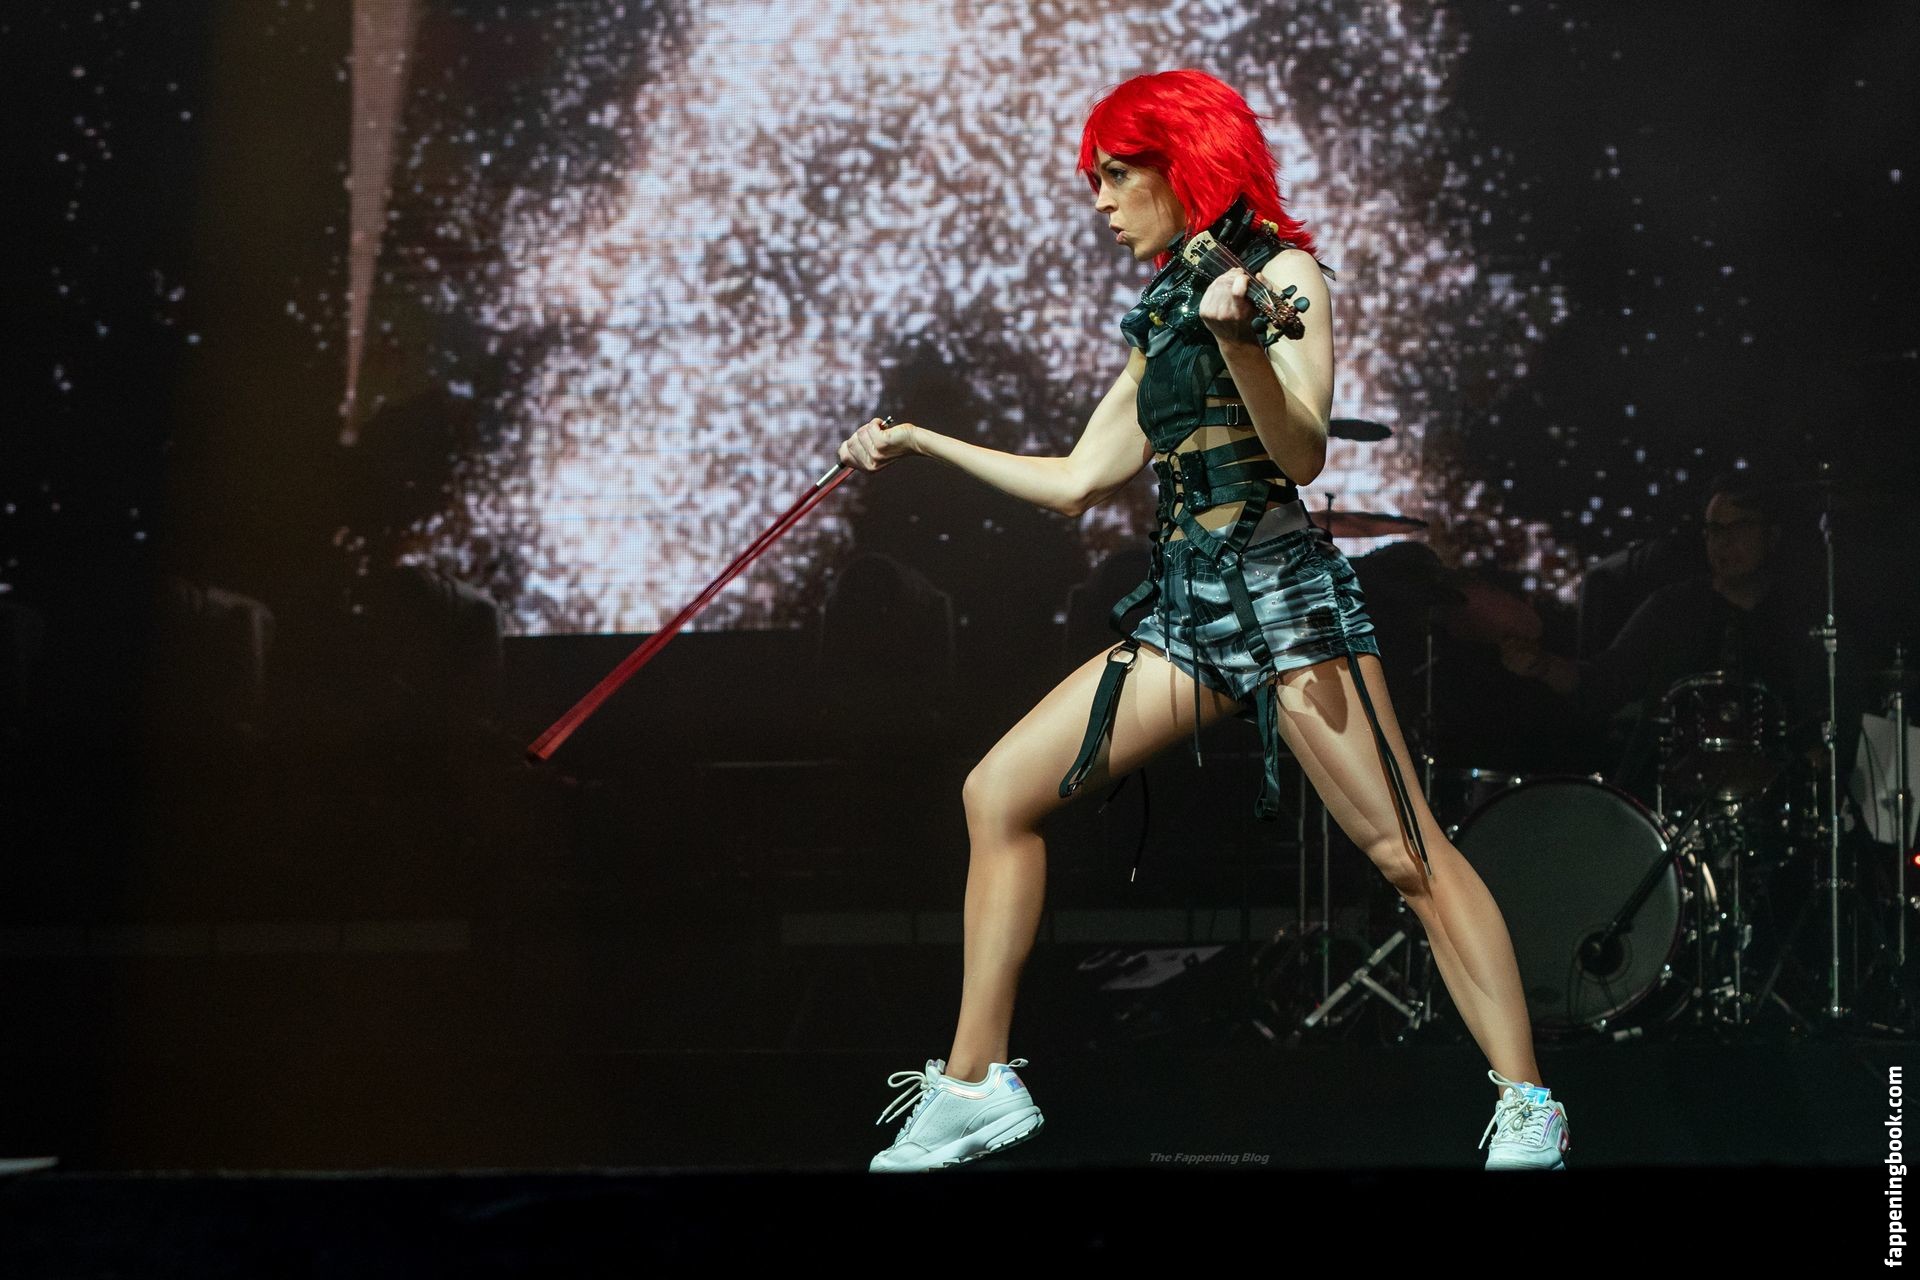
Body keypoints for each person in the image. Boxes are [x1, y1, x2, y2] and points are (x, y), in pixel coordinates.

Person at [838, 69, 1567, 1172]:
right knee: (997, 793)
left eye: (1115, 174)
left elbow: (1302, 453)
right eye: (1095, 179)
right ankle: (977, 1083)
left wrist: (1239, 342)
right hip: (1186, 614)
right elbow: (1080, 479)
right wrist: (921, 444)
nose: (1099, 200)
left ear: (1184, 163)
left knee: (1405, 851)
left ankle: (1528, 1103)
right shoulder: (1164, 310)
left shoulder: (1285, 276)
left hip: (1284, 599)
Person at [1500, 472, 1825, 796]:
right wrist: (1543, 665)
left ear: (1772, 535)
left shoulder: (1802, 619)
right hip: (1670, 799)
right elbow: (1603, 682)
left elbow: (1824, 716)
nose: (1724, 542)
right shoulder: (1674, 608)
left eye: (1739, 527)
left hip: (1775, 802)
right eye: (1715, 529)